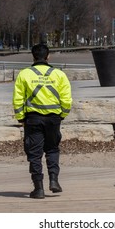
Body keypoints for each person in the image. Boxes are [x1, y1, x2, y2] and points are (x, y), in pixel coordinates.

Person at [13, 43, 72, 199]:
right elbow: (66, 99)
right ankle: (54, 180)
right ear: (48, 56)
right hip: (53, 118)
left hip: (33, 118)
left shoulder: (24, 74)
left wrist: (20, 118)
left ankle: (38, 188)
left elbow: (18, 99)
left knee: (34, 153)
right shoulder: (59, 74)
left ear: (33, 56)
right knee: (52, 149)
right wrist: (62, 115)